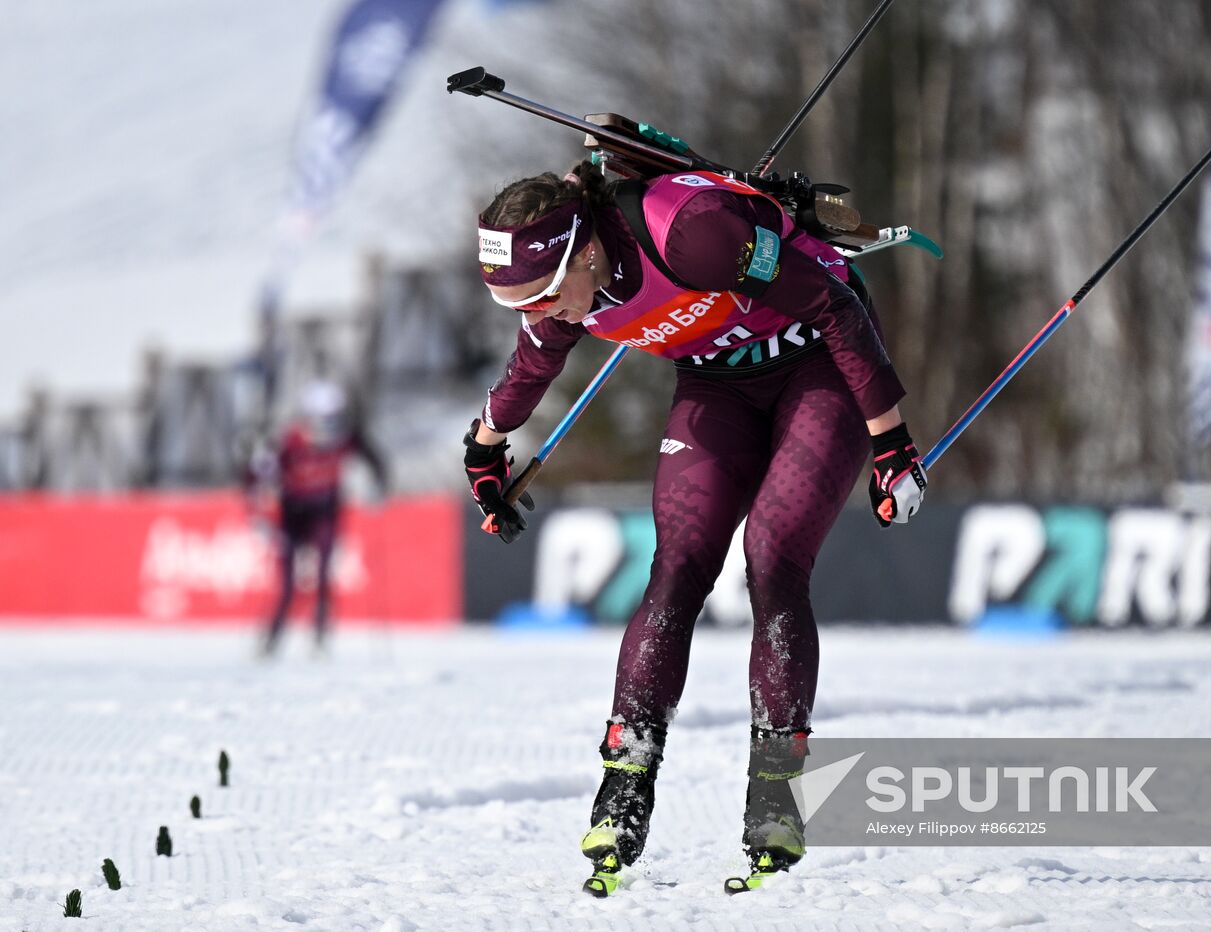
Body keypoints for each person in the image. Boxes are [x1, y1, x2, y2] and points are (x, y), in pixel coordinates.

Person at [463, 162, 927, 894]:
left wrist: (892, 441)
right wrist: (485, 444)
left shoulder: (689, 237)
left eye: (545, 294)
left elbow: (838, 308)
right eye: (517, 303)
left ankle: (777, 790)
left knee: (771, 558)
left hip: (817, 365)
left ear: (584, 250)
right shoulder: (562, 296)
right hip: (717, 385)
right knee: (677, 566)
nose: (542, 314)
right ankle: (624, 785)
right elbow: (531, 366)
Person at [247, 379, 389, 656]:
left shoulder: (347, 437)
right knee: (287, 582)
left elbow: (375, 460)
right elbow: (258, 473)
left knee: (323, 573)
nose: (328, 428)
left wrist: (377, 487)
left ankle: (321, 636)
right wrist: (260, 504)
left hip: (325, 510)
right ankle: (271, 639)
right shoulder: (289, 439)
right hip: (292, 513)